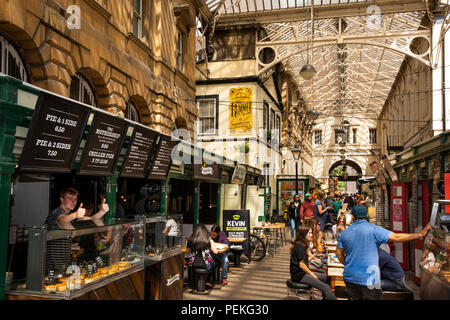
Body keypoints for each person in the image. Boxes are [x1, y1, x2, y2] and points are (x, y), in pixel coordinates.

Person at [335, 204, 431, 300]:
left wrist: (347, 264)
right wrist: (419, 234)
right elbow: (397, 237)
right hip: (370, 279)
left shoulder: (345, 233)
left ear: (353, 217)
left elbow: (339, 254)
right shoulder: (374, 229)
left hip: (350, 277)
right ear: (367, 216)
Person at [289, 226, 337, 300]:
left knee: (327, 278)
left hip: (302, 273)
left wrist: (315, 254)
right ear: (304, 235)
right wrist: (312, 274)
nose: (311, 235)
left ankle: (325, 297)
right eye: (310, 233)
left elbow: (305, 260)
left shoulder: (302, 244)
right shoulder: (300, 246)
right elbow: (301, 265)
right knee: (325, 287)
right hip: (299, 275)